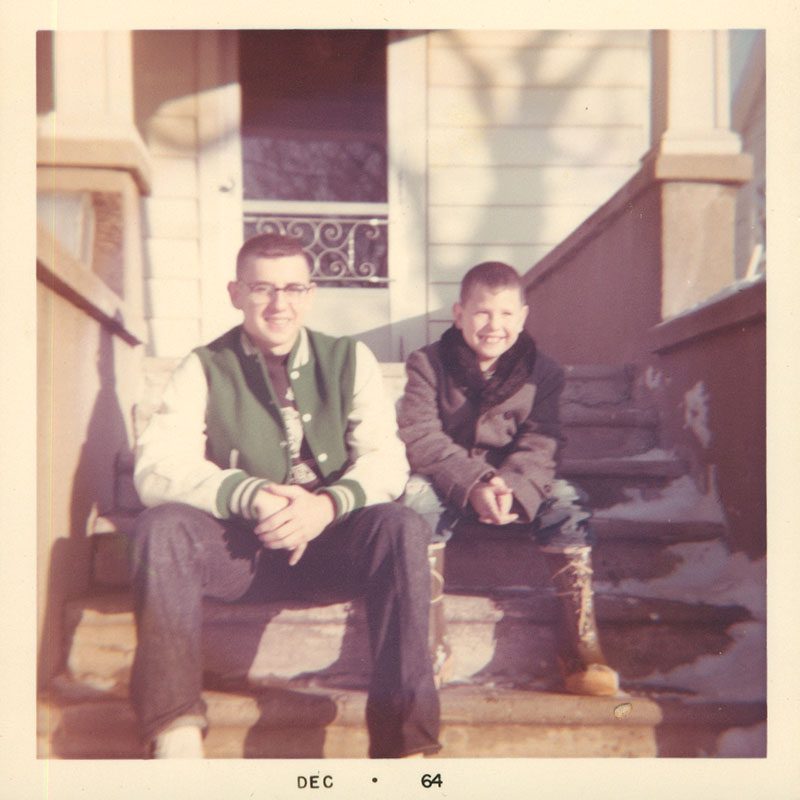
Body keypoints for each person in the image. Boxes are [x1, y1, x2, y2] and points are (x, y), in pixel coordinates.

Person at [131, 233, 441, 759]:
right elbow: (157, 467)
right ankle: (175, 735)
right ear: (235, 293)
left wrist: (327, 505)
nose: (279, 304)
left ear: (311, 294)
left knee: (401, 525)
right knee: (161, 529)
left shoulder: (350, 359)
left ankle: (406, 748)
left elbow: (387, 461)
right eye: (262, 289)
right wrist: (248, 495)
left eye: (293, 288)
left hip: (330, 549)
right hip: (242, 554)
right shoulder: (204, 366)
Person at [397, 261, 620, 697]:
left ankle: (579, 643)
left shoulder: (544, 372)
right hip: (450, 480)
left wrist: (510, 487)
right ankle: (428, 640)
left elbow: (544, 440)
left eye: (505, 314)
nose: (493, 325)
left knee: (569, 499)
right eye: (481, 313)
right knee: (414, 498)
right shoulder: (427, 364)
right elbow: (420, 435)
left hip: (518, 485)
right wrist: (476, 480)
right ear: (459, 313)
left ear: (522, 317)